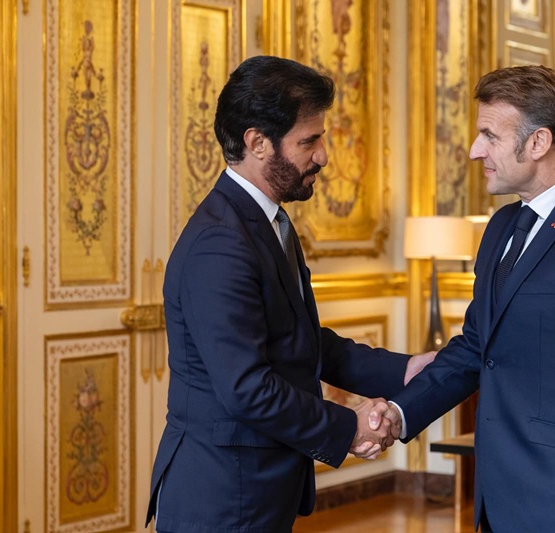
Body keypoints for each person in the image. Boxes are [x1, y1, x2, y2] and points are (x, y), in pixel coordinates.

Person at [145, 55, 434, 533]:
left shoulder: (267, 222)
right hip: (224, 497)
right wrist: (350, 427)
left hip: (255, 489)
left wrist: (402, 370)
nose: (323, 156)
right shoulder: (220, 243)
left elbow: (300, 342)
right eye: (310, 141)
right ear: (257, 142)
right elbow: (248, 389)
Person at [377, 65, 555, 532]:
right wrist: (401, 412)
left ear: (538, 143)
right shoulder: (499, 229)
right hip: (496, 498)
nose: (474, 150)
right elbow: (475, 348)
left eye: (489, 135)